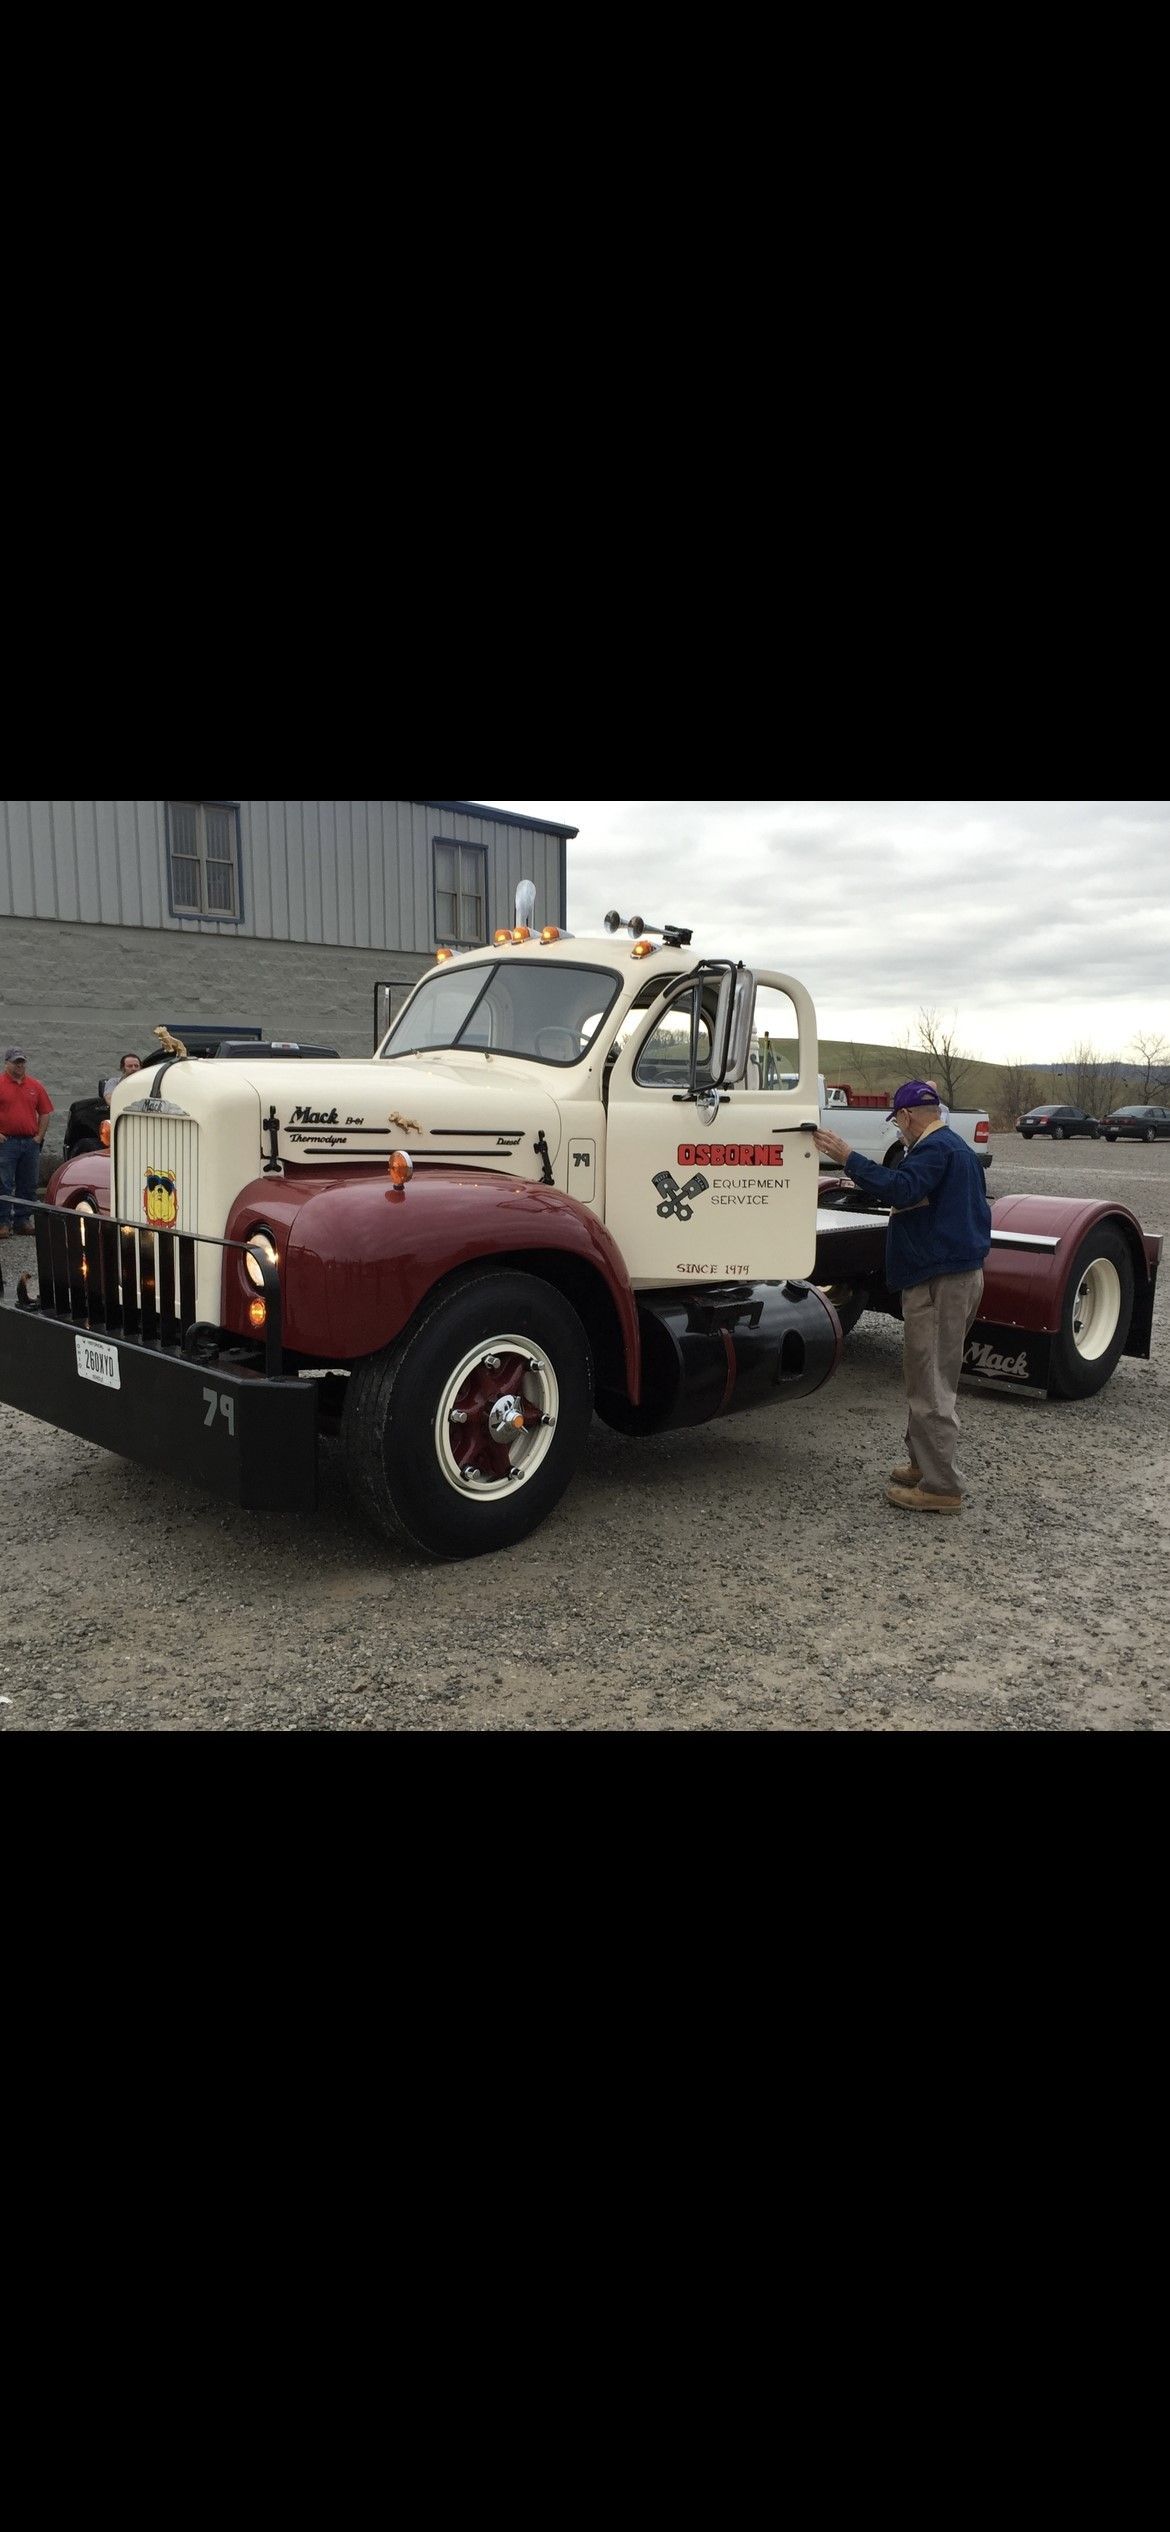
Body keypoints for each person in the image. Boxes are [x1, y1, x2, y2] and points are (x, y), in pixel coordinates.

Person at [815, 1078, 992, 1515]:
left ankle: (942, 1486)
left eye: (897, 1122)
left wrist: (847, 1157)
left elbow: (900, 1189)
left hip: (939, 1283)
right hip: (958, 1276)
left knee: (930, 1379)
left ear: (908, 1116)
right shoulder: (957, 1149)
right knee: (924, 1373)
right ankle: (923, 1463)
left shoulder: (933, 1150)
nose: (899, 1131)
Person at [0, 1047, 55, 1237]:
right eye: (16, 1062)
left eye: (22, 1062)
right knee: (4, 1184)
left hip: (30, 1143)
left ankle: (22, 1221)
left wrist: (38, 1137)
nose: (20, 1065)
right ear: (6, 1063)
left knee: (28, 1183)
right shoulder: (0, 1084)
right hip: (6, 1143)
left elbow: (45, 1112)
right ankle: (3, 1223)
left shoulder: (35, 1085)